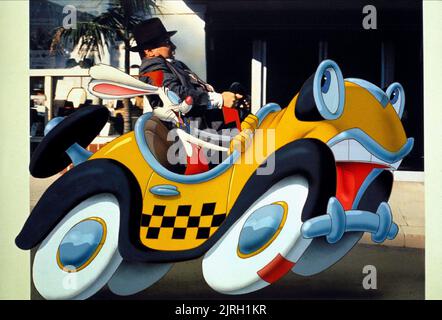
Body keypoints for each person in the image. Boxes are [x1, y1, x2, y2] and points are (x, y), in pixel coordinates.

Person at [130, 18, 248, 130]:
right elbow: (175, 95)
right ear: (149, 51)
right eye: (166, 42)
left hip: (209, 127)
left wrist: (231, 98)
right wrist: (220, 99)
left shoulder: (175, 65)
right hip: (195, 136)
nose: (173, 46)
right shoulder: (151, 67)